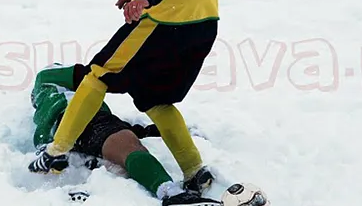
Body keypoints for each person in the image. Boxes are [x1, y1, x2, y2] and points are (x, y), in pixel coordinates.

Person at [29, 0, 219, 196]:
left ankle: (56, 152)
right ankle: (194, 170)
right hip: (202, 22)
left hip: (167, 22)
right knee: (154, 98)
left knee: (98, 75)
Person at [29, 64, 221, 206]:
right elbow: (91, 73)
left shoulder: (44, 105)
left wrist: (46, 148)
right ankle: (171, 193)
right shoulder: (50, 79)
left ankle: (85, 161)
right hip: (89, 122)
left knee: (118, 143)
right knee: (128, 148)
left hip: (79, 131)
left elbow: (44, 128)